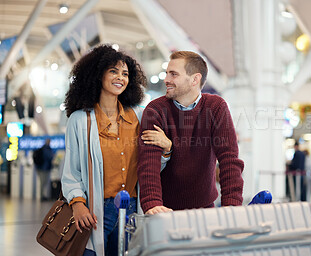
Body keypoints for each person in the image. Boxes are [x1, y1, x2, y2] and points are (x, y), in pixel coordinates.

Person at [61, 44, 172, 256]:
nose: (120, 77)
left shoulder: (140, 116)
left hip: (131, 209)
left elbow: (149, 167)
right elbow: (71, 172)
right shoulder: (79, 120)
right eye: (113, 71)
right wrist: (77, 204)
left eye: (125, 73)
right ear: (97, 74)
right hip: (95, 212)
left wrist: (166, 150)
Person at [137, 51, 244, 215]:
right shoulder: (155, 110)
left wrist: (232, 205)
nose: (166, 80)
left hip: (205, 207)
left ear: (195, 79)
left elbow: (229, 159)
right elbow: (148, 164)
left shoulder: (215, 107)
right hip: (163, 210)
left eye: (173, 74)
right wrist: (151, 202)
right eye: (167, 73)